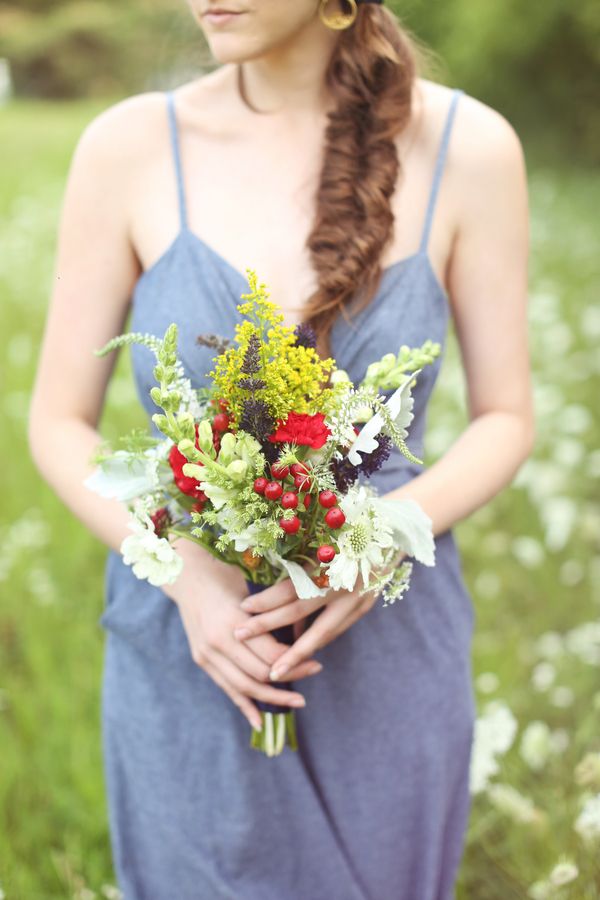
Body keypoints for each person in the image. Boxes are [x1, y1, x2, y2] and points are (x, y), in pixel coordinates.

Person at [28, 0, 534, 897]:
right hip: (193, 645)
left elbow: (506, 416)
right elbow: (59, 423)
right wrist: (185, 570)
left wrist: (379, 539)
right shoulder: (130, 148)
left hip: (384, 645)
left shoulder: (472, 148)